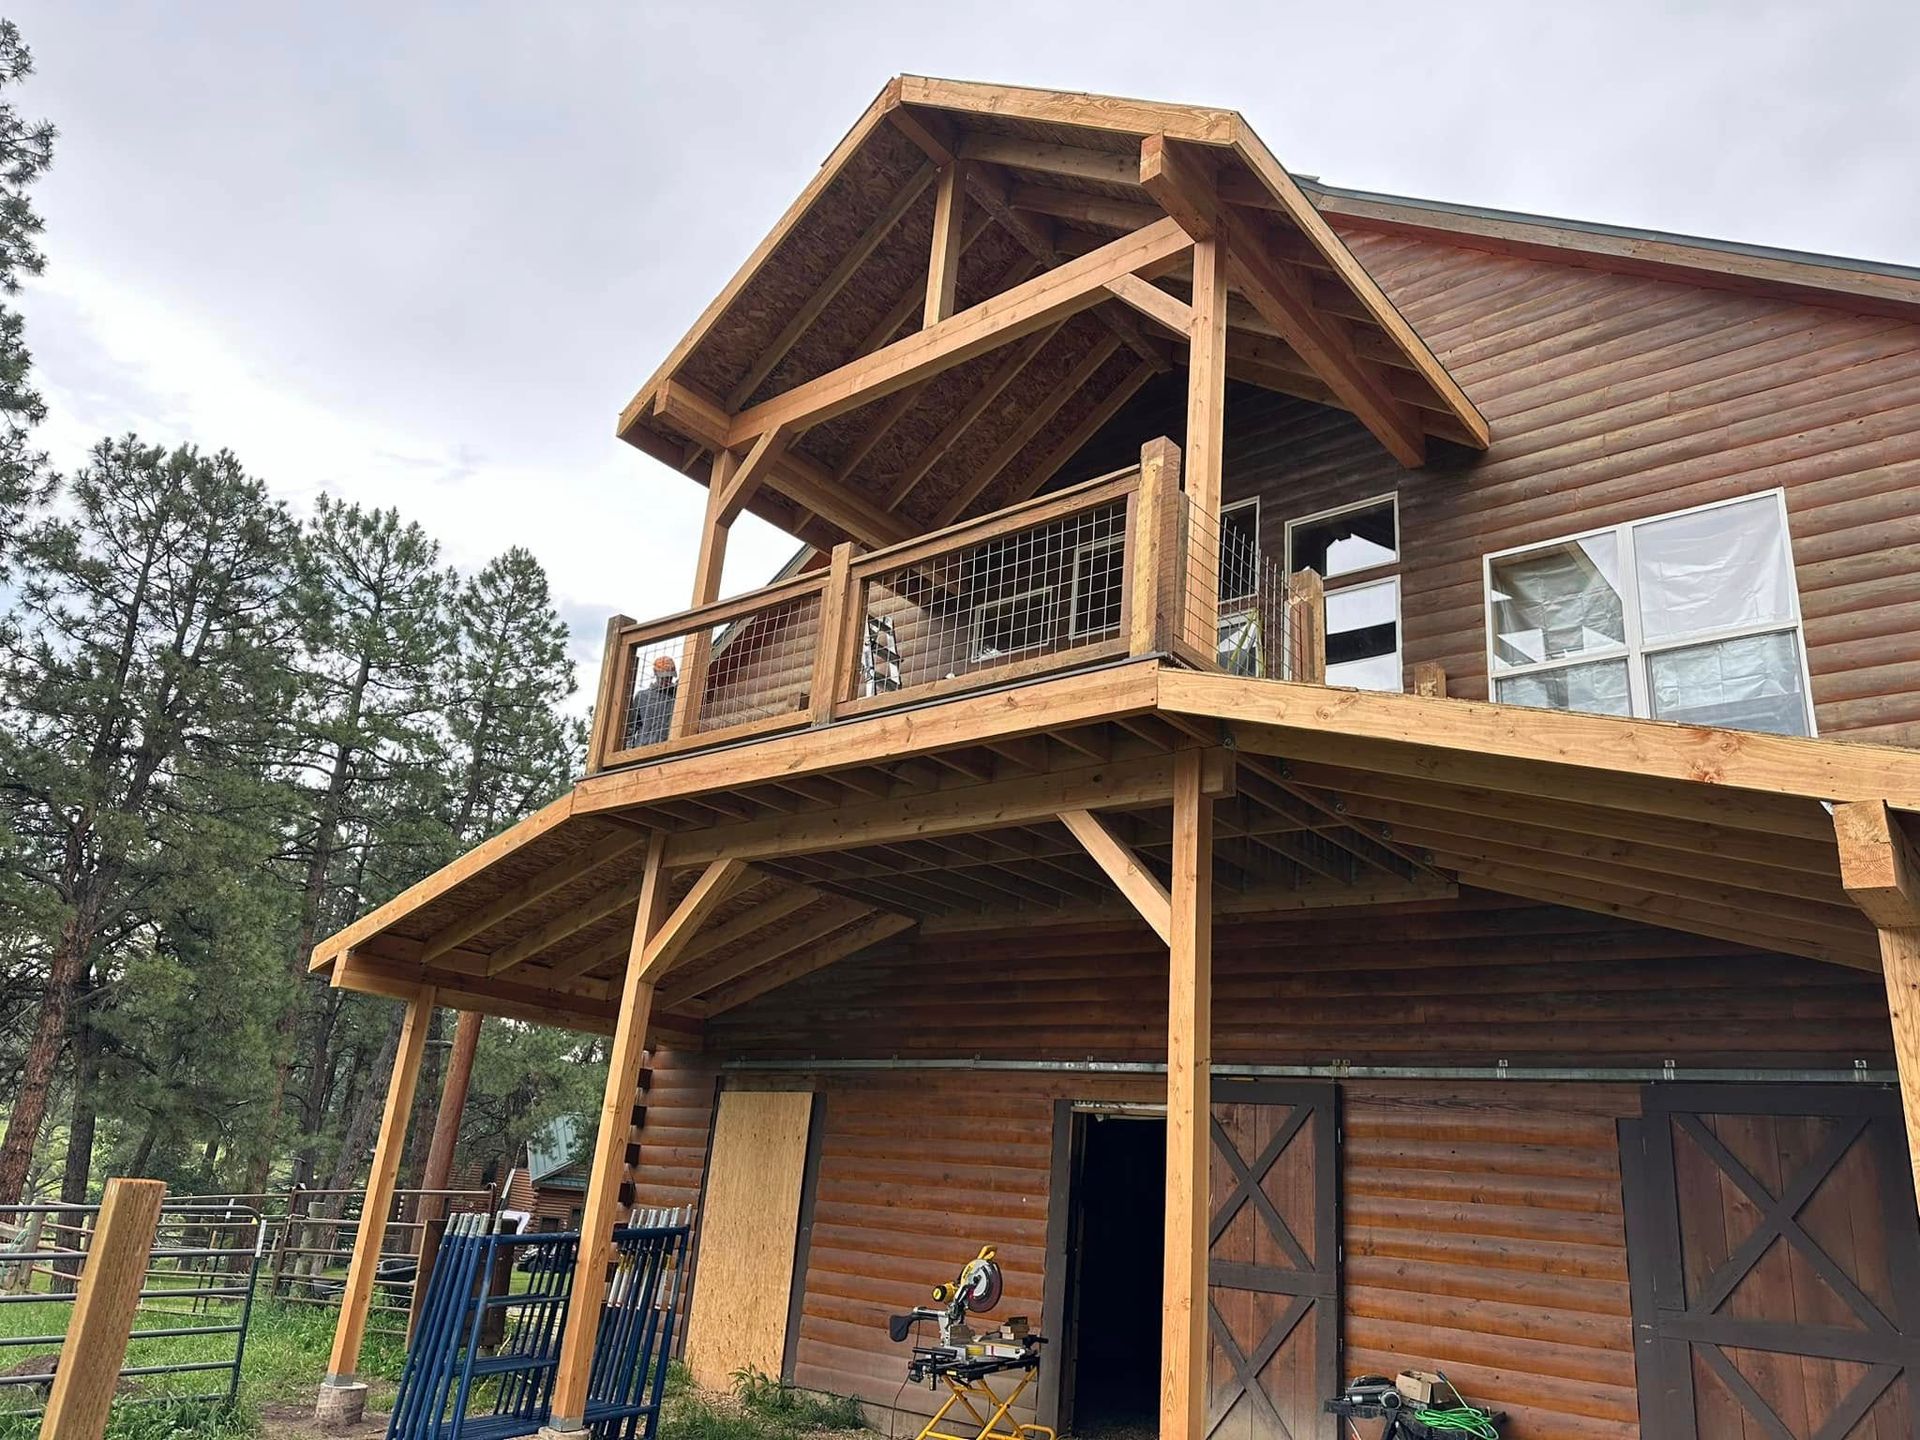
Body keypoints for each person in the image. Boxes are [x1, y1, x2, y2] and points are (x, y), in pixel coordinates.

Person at [628, 654, 679, 748]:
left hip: (667, 748)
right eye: (664, 677)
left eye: (670, 677)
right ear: (655, 673)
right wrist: (629, 749)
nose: (667, 680)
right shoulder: (642, 696)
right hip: (642, 749)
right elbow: (630, 727)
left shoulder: (677, 696)